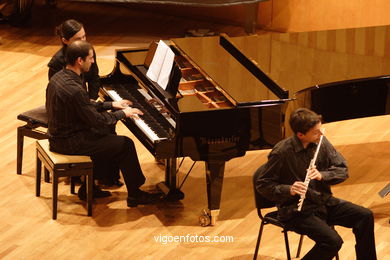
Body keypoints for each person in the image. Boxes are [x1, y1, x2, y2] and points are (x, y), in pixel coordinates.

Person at [46, 40, 161, 207]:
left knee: (106, 135)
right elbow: (96, 120)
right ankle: (135, 194)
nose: (93, 62)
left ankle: (89, 188)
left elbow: (83, 105)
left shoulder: (60, 77)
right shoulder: (75, 88)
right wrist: (123, 113)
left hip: (61, 135)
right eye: (91, 58)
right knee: (125, 144)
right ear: (80, 60)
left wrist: (111, 105)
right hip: (68, 142)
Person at [254, 108, 376, 260]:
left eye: (320, 129)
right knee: (332, 242)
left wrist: (322, 175)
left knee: (365, 216)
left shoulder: (321, 142)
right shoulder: (282, 152)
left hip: (323, 201)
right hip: (295, 211)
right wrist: (289, 189)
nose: (321, 134)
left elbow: (343, 170)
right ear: (300, 135)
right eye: (315, 132)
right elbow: (263, 184)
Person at [48, 19, 122, 187]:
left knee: (108, 125)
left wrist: (92, 99)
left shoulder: (87, 50)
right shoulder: (57, 63)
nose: (83, 41)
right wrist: (86, 106)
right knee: (101, 126)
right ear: (65, 41)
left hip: (82, 101)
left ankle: (103, 175)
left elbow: (95, 78)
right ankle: (88, 175)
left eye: (84, 36)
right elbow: (60, 93)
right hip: (66, 109)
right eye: (77, 39)